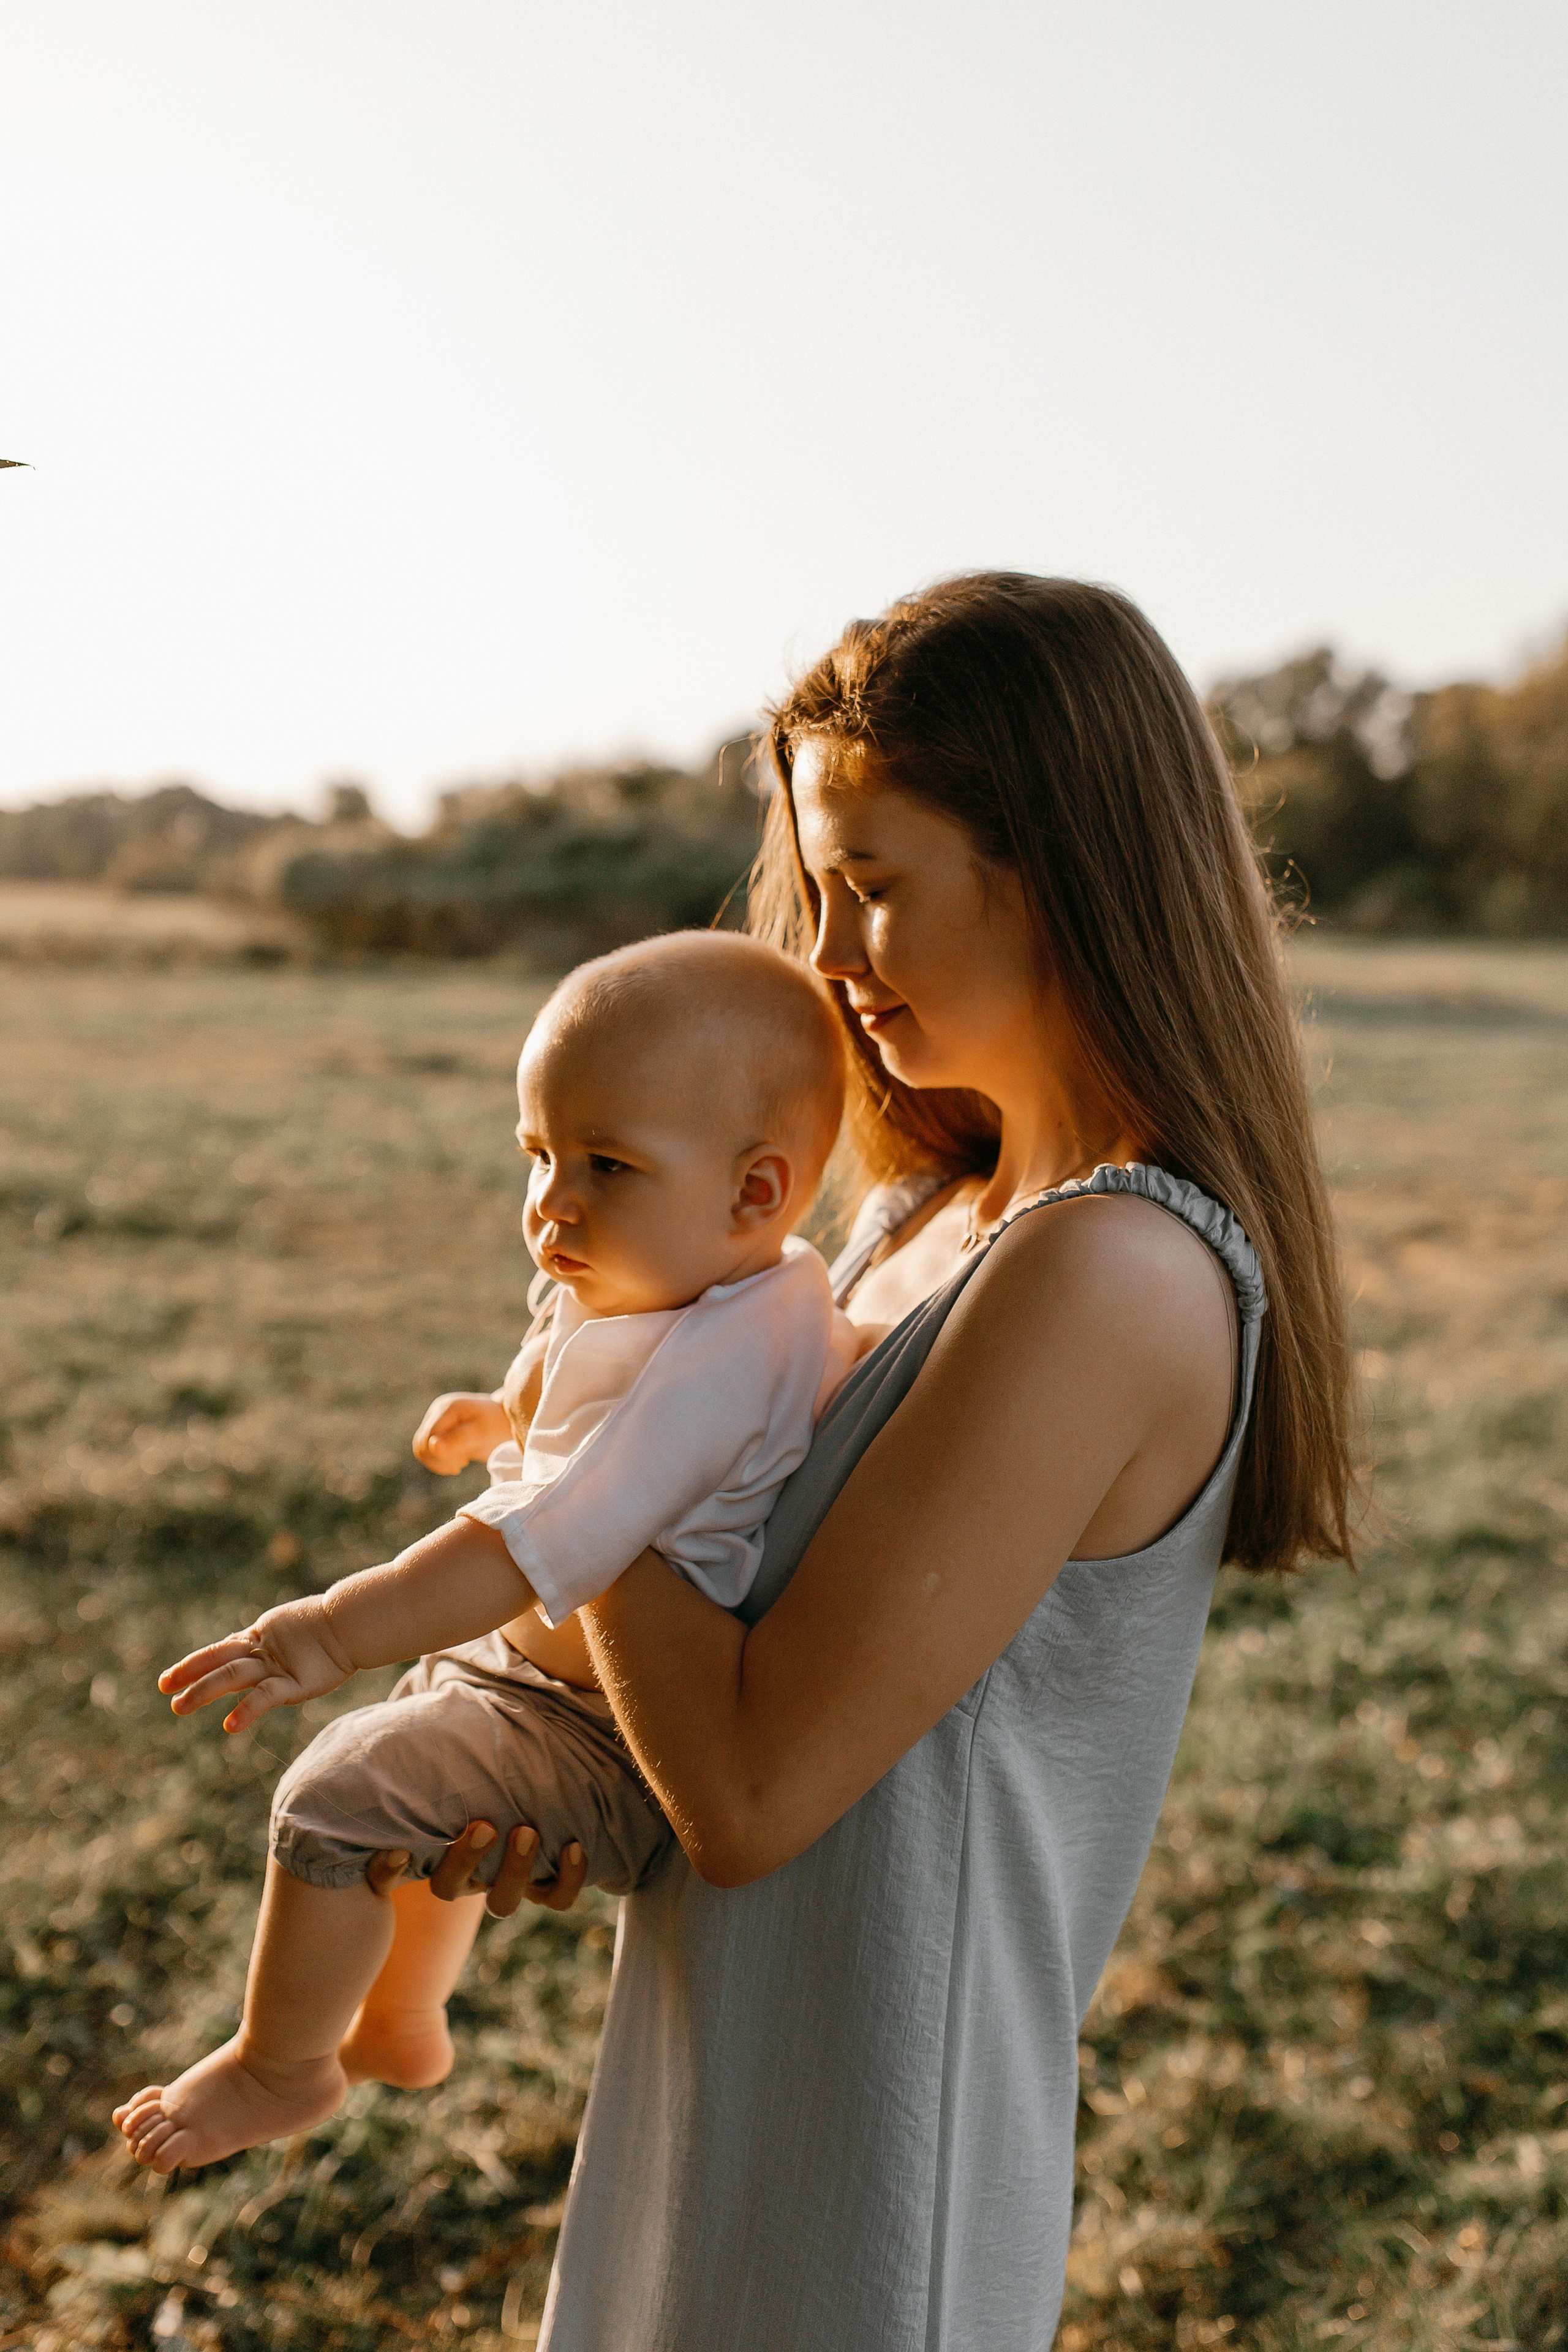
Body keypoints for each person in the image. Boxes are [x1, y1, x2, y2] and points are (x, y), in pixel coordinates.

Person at [415, 573, 1358, 2351]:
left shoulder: (1108, 1269)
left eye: (872, 884)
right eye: (817, 885)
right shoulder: (919, 1216)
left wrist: (597, 1442)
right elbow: (722, 1678)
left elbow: (756, 1789)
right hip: (720, 2054)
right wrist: (543, 1761)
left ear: (1063, 865)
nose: (828, 957)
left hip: (874, 2149)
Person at [110, 930, 859, 2174]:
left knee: (336, 1793)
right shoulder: (653, 1267)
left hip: (614, 1731)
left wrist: (330, 1632)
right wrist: (504, 1416)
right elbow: (574, 1385)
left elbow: (537, 1541)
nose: (553, 1200)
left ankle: (281, 2067)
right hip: (531, 1675)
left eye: (605, 1163)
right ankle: (400, 2022)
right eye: (539, 1155)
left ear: (756, 1193)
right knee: (413, 1787)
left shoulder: (731, 1360)